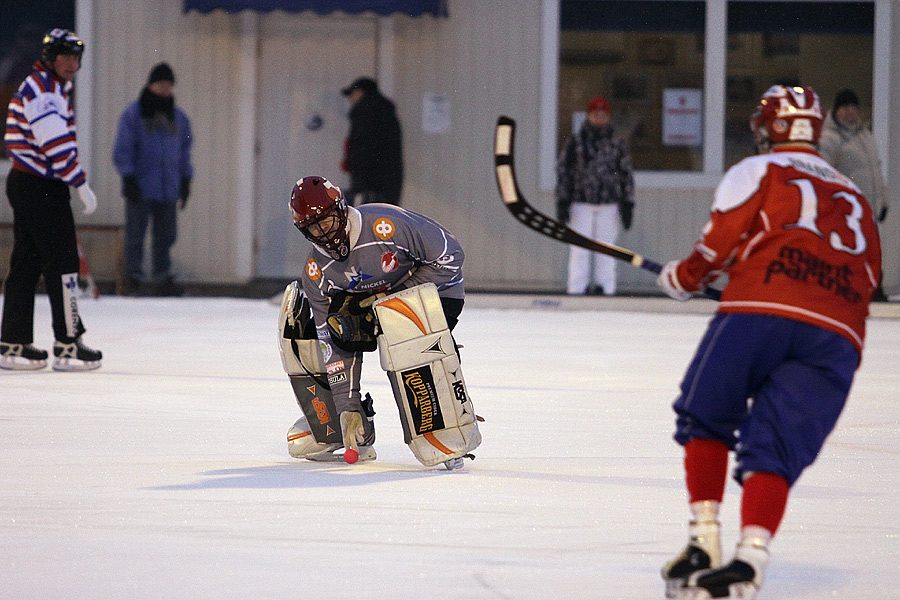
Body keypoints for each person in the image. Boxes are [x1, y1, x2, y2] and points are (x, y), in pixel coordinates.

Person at [657, 85, 881, 599]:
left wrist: (682, 278)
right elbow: (869, 276)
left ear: (769, 127)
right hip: (838, 334)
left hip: (760, 311)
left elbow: (716, 246)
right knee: (775, 446)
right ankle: (750, 559)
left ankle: (703, 544)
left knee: (706, 414)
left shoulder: (755, 171)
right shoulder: (854, 194)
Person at [285, 175, 477, 468]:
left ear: (341, 210)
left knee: (401, 326)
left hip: (437, 294)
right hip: (370, 305)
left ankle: (441, 425)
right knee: (302, 329)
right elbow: (329, 341)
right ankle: (346, 426)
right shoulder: (317, 271)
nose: (323, 234)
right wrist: (346, 405)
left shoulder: (387, 225)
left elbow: (451, 257)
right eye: (313, 228)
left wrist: (390, 298)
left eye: (326, 222)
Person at [0, 28, 102, 372]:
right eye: (65, 57)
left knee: (26, 263)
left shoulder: (49, 86)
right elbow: (55, 144)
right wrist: (80, 183)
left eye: (76, 57)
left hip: (29, 183)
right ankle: (68, 343)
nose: (71, 64)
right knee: (63, 263)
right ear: (49, 58)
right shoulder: (44, 91)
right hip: (40, 185)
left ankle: (13, 343)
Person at [113, 62, 193, 296]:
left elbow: (184, 151)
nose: (165, 89)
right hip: (141, 186)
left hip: (168, 187)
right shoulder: (133, 114)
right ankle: (133, 278)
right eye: (160, 84)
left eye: (168, 85)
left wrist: (185, 180)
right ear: (150, 85)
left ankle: (162, 277)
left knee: (166, 235)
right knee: (135, 235)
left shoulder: (178, 118)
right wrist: (128, 177)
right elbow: (123, 149)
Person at [555, 95, 635, 296]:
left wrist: (627, 203)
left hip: (609, 204)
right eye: (595, 114)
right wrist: (563, 200)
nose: (599, 118)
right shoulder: (576, 142)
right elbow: (564, 171)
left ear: (608, 117)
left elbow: (626, 174)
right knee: (579, 249)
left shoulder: (616, 144)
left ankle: (605, 288)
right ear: (589, 116)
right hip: (581, 203)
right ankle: (577, 288)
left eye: (603, 115)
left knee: (606, 249)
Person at [818, 88, 890, 300]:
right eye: (845, 108)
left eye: (853, 107)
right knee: (850, 251)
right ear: (837, 110)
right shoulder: (829, 139)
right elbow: (823, 173)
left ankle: (875, 288)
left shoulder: (864, 135)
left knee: (872, 251)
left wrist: (883, 200)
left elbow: (876, 168)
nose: (850, 112)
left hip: (869, 208)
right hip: (847, 210)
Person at [340, 77, 403, 206]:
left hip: (371, 184)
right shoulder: (384, 111)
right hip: (388, 182)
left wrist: (359, 184)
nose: (350, 99)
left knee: (368, 218)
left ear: (360, 92)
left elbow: (363, 149)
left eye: (351, 94)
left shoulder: (365, 113)